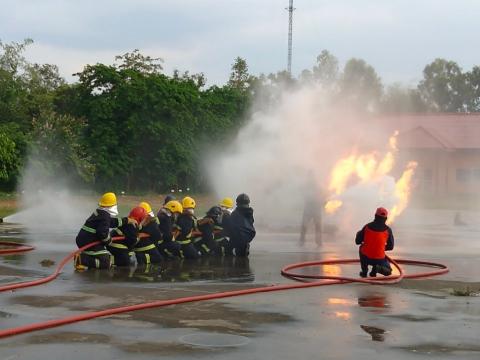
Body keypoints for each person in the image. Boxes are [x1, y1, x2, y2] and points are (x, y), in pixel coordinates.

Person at [74, 192, 123, 270]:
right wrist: (108, 241)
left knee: (105, 256)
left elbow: (111, 222)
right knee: (105, 263)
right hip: (89, 242)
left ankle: (86, 257)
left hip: (84, 240)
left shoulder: (100, 212)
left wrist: (126, 221)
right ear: (112, 205)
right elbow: (102, 233)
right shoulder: (105, 216)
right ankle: (82, 260)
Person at [355, 207, 394, 278]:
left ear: (375, 216)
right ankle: (376, 269)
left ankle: (364, 272)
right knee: (388, 271)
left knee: (361, 248)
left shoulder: (367, 227)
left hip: (366, 258)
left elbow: (357, 242)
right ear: (386, 219)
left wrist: (358, 234)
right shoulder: (388, 230)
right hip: (380, 260)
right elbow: (391, 247)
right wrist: (380, 248)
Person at [299, 173, 324, 246]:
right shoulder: (313, 185)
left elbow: (321, 195)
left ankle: (303, 241)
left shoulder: (311, 185)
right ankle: (317, 241)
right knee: (314, 225)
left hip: (313, 207)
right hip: (312, 207)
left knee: (313, 225)